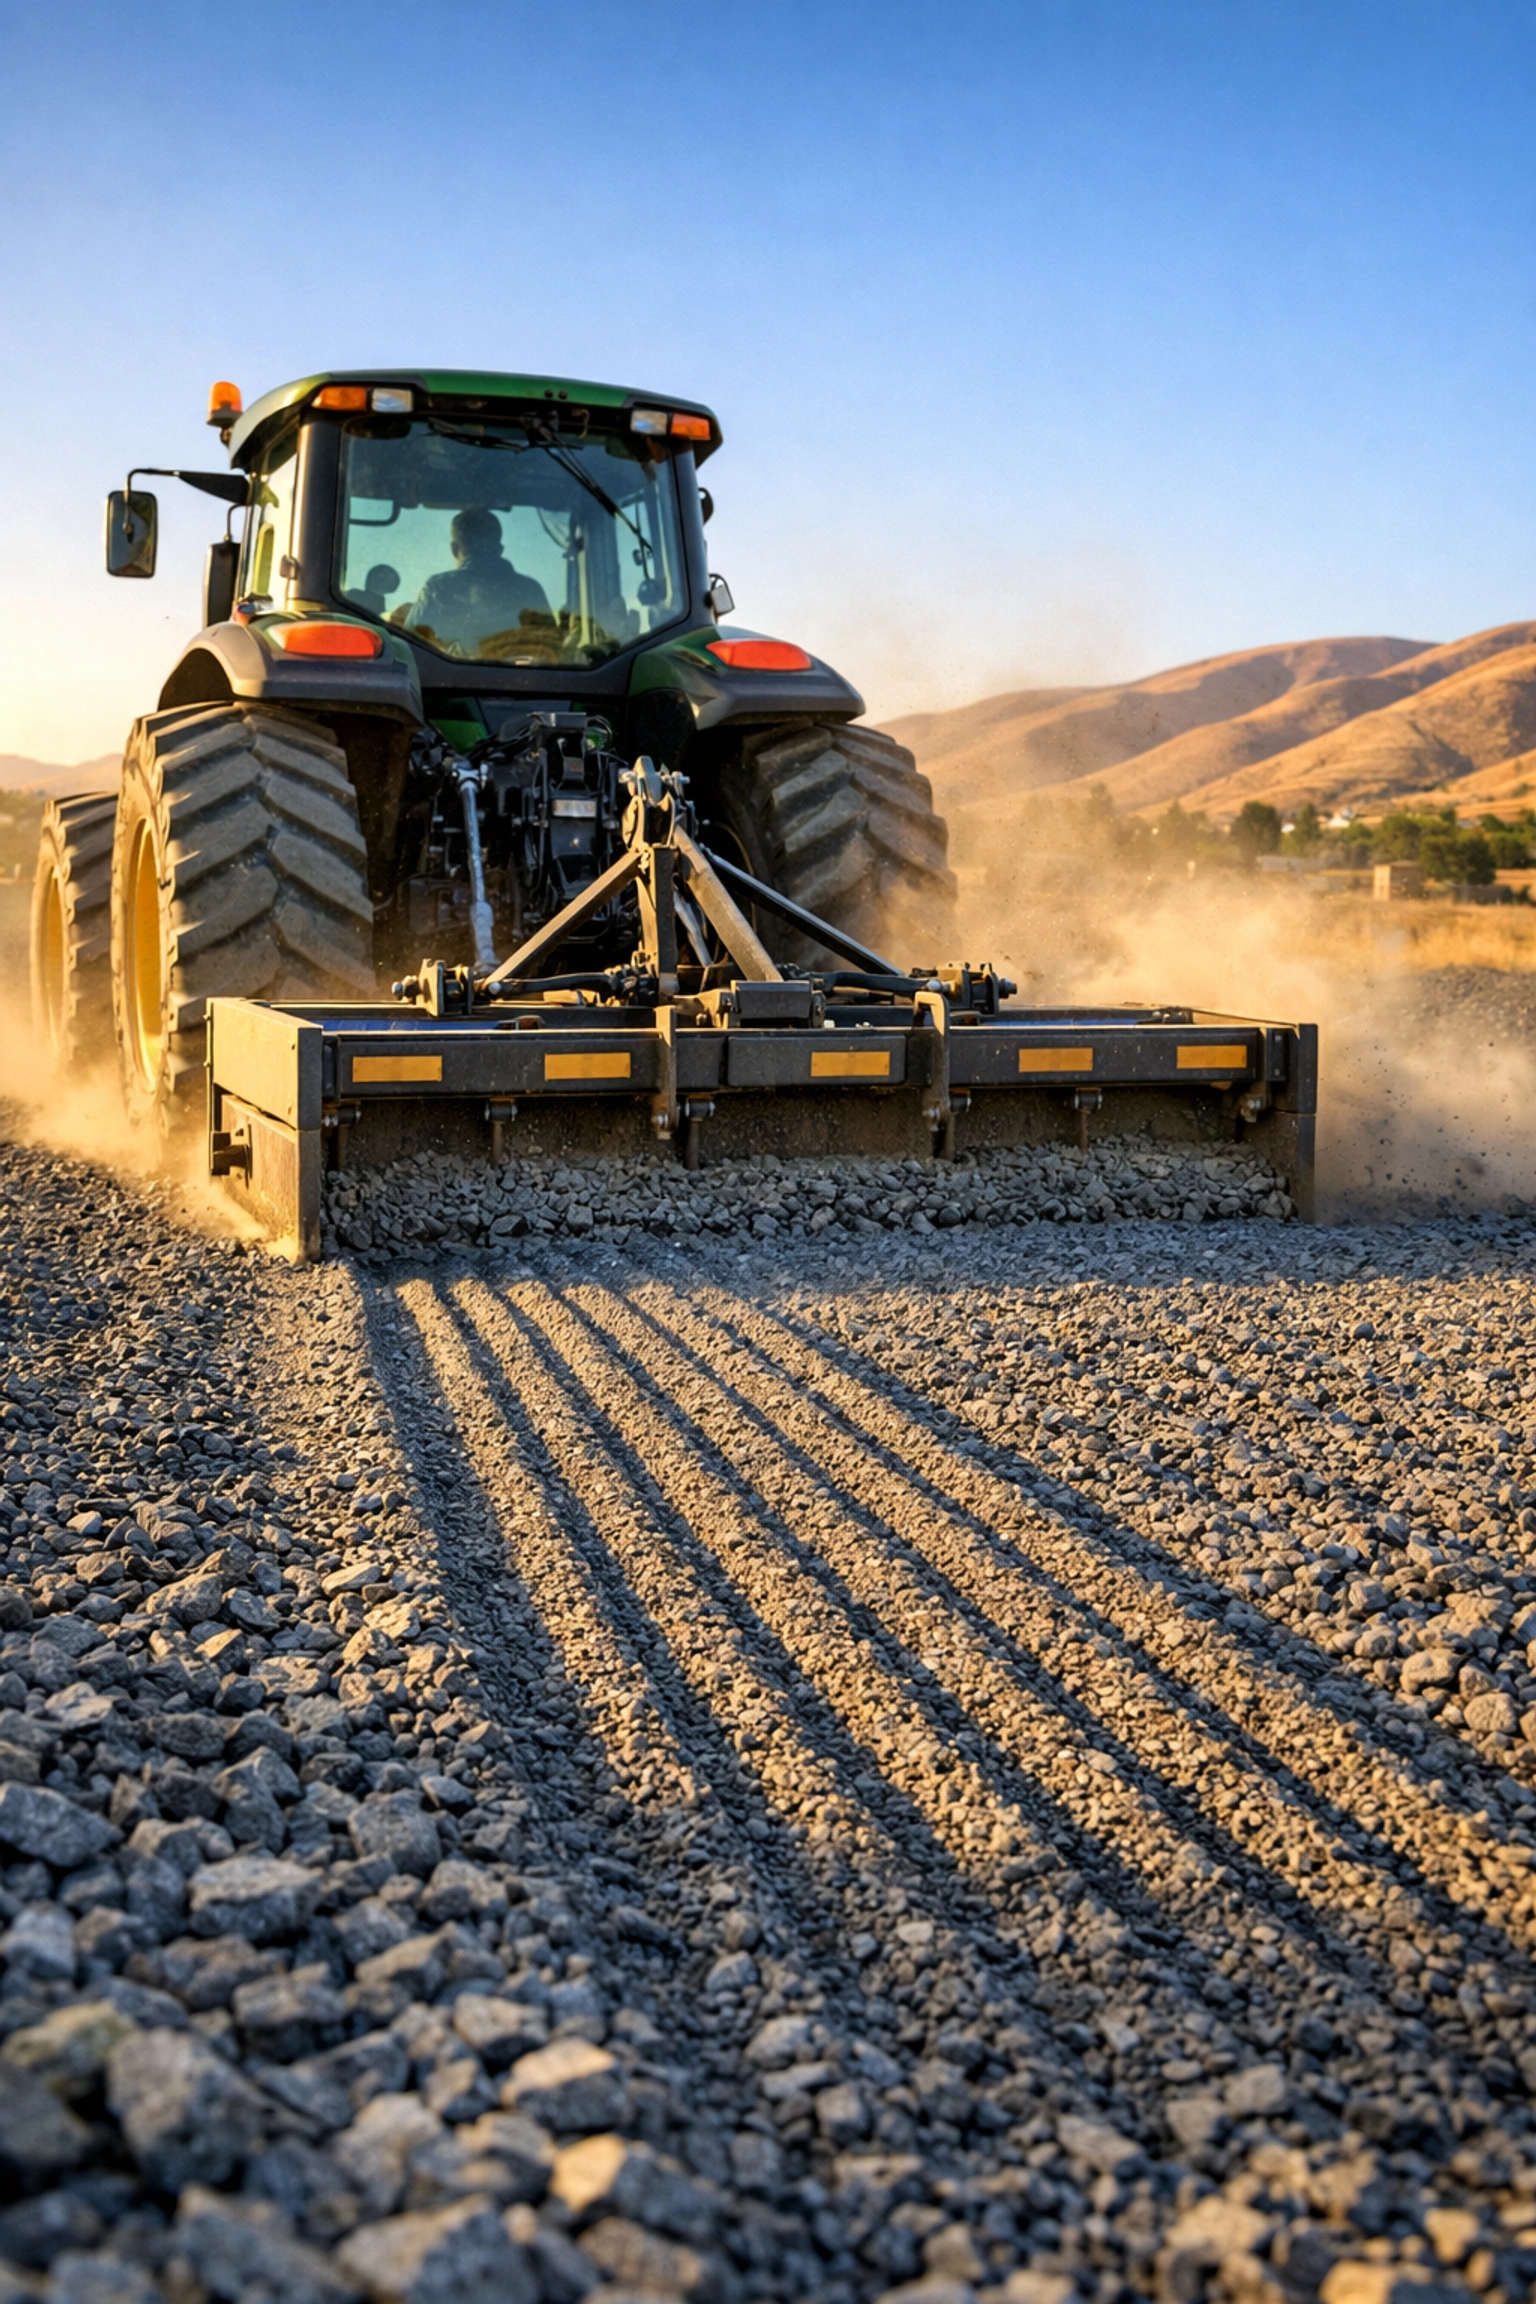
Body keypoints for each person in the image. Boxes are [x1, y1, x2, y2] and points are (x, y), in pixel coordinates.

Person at [405, 507, 552, 655]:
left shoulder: (436, 587)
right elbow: (551, 647)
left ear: (455, 549)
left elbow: (409, 645)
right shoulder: (530, 589)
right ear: (500, 550)